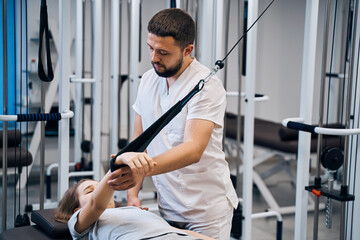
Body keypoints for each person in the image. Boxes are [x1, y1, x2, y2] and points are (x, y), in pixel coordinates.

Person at [108, 8, 238, 239]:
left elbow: (193, 150)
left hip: (206, 211)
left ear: (188, 50)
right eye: (150, 48)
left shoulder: (207, 87)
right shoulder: (148, 80)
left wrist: (141, 169)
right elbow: (139, 145)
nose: (154, 58)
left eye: (163, 52)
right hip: (168, 205)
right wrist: (132, 195)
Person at [54, 152, 214, 240]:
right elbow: (97, 204)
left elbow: (168, 229)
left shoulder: (132, 211)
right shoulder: (81, 225)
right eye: (90, 191)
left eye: (99, 186)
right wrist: (118, 163)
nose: (98, 191)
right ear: (77, 209)